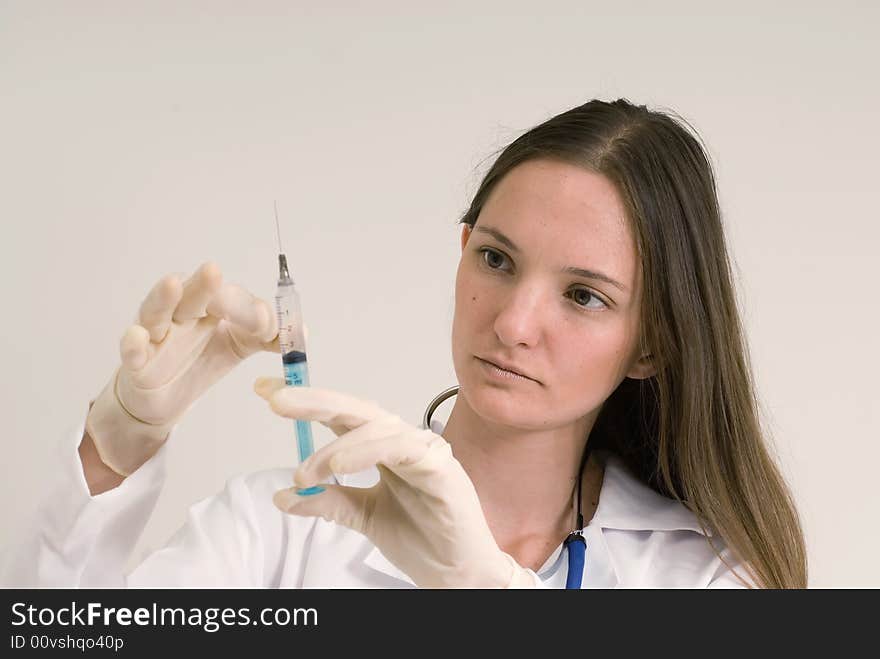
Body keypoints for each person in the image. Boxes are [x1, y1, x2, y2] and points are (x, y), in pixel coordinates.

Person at [0, 98, 807, 589]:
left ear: (653, 346)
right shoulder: (281, 526)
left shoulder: (703, 575)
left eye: (584, 295)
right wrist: (119, 444)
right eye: (497, 258)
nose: (514, 321)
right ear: (462, 255)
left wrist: (485, 594)